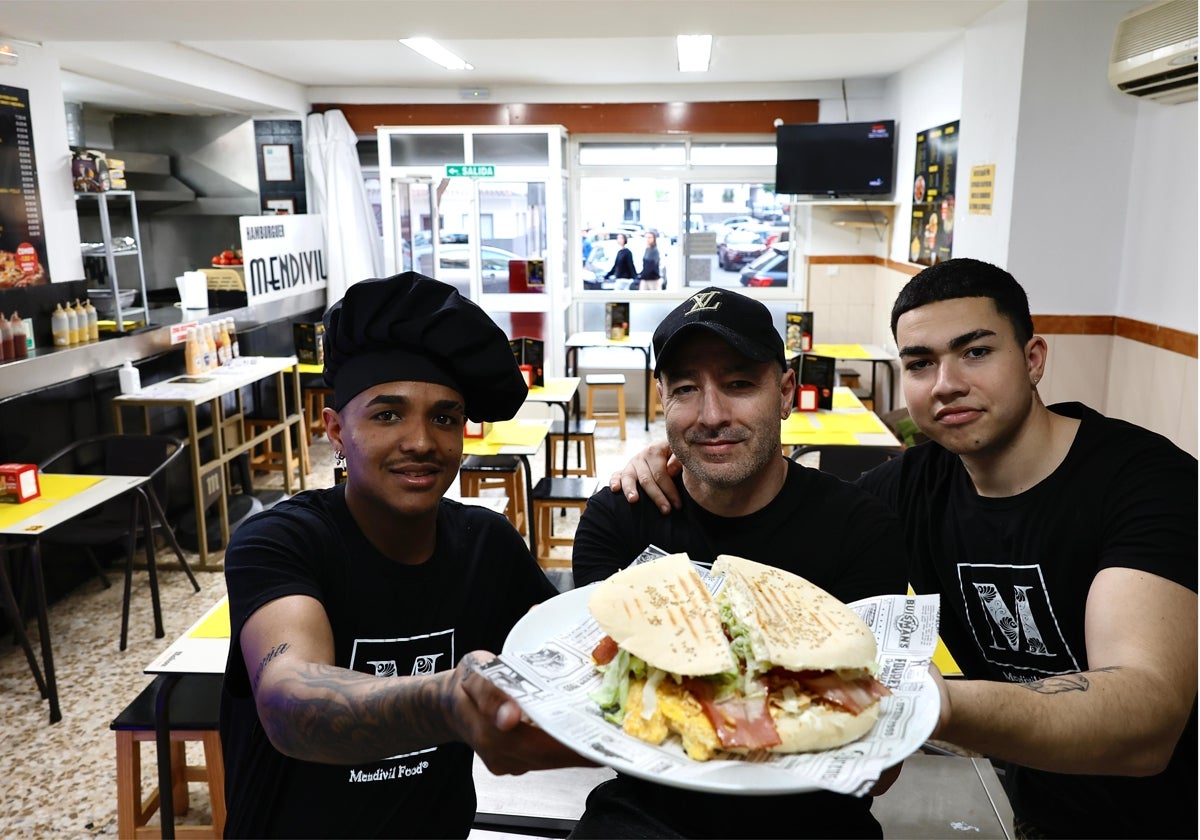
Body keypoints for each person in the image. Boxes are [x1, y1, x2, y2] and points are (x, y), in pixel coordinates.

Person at [616, 259, 1198, 839]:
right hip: (1043, 810)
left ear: (1033, 359)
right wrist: (683, 464)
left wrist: (930, 704)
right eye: (921, 363)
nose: (946, 382)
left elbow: (1148, 721)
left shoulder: (1146, 482)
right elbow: (791, 507)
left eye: (975, 352)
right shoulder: (906, 489)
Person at [219, 272, 583, 838]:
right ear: (336, 431)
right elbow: (288, 699)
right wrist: (446, 702)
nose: (421, 440)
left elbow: (574, 665)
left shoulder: (486, 547)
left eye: (444, 417)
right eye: (387, 414)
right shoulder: (283, 540)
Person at [571, 286, 909, 839]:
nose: (711, 414)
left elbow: (880, 770)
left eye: (739, 384)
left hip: (813, 818)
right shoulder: (620, 517)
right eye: (686, 388)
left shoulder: (860, 528)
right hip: (645, 812)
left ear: (785, 393)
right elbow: (596, 703)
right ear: (662, 402)